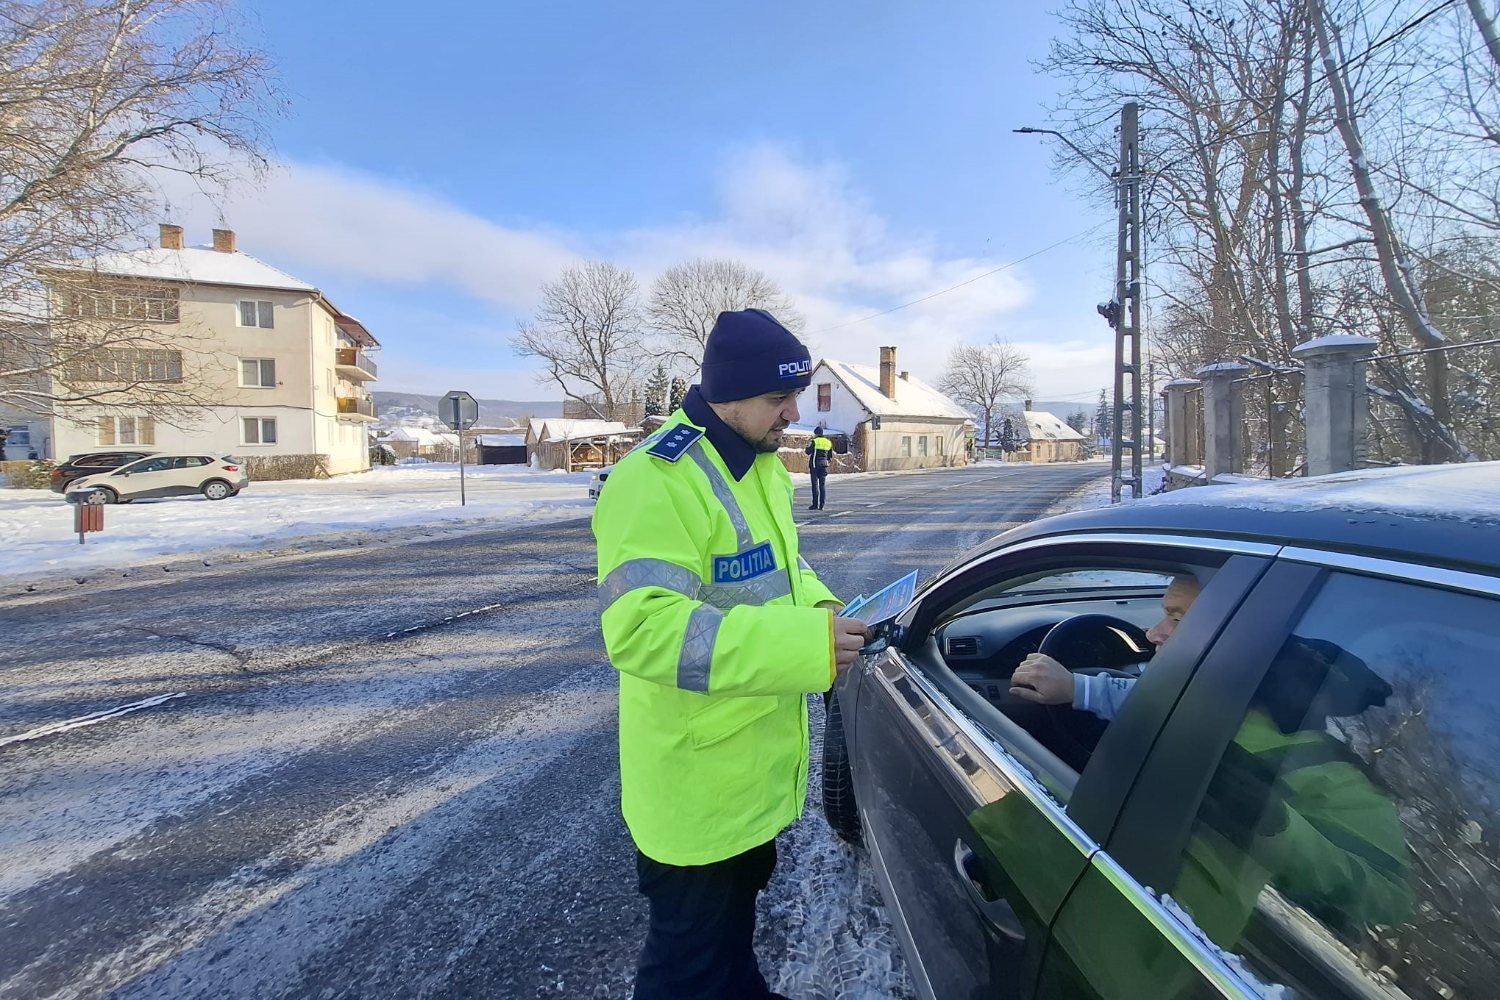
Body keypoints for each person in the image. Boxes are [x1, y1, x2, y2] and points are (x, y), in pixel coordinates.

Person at [593, 307, 872, 1000]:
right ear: (729, 395)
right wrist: (807, 646)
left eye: (795, 396)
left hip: (747, 776)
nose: (793, 414)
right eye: (779, 398)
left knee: (729, 940)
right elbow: (644, 629)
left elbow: (782, 570)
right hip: (696, 788)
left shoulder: (759, 465)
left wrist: (821, 608)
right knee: (686, 966)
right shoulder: (656, 479)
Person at [1008, 573, 1410, 950]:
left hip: (1168, 947)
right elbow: (1145, 700)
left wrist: (1276, 826)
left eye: (1177, 619)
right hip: (1094, 906)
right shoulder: (1207, 699)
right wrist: (1077, 688)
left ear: (1238, 639)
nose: (1152, 633)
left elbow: (1391, 902)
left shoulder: (1335, 774)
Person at [804, 425, 833, 510]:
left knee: (815, 485)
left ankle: (815, 505)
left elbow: (808, 452)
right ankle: (822, 505)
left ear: (816, 433)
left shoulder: (815, 441)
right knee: (822, 485)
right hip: (824, 465)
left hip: (815, 465)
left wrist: (806, 448)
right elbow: (830, 456)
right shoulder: (828, 442)